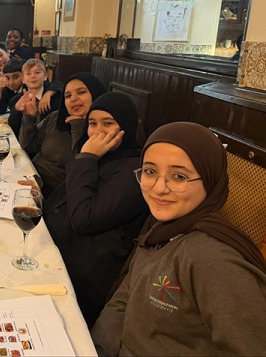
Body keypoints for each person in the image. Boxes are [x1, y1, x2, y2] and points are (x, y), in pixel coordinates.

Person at [92, 122, 266, 356]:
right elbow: (124, 299)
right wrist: (94, 349)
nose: (159, 188)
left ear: (209, 180)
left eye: (179, 176)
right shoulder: (161, 231)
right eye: (150, 171)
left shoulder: (212, 261)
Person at [41, 92, 148, 324]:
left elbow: (84, 219)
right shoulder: (105, 158)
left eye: (108, 124)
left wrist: (86, 157)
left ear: (126, 127)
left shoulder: (134, 173)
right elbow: (72, 198)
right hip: (57, 253)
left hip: (82, 280)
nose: (98, 132)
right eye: (92, 124)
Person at [19, 73, 106, 197]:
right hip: (32, 176)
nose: (73, 99)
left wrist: (78, 126)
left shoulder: (102, 129)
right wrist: (29, 118)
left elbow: (80, 172)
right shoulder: (56, 117)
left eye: (81, 92)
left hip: (56, 195)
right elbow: (28, 146)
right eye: (68, 96)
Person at [10, 59, 63, 138]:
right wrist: (16, 109)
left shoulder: (54, 97)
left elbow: (60, 85)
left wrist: (48, 94)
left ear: (45, 76)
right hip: (26, 139)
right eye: (28, 73)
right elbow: (13, 128)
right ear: (23, 80)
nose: (33, 76)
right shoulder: (16, 100)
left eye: (37, 72)